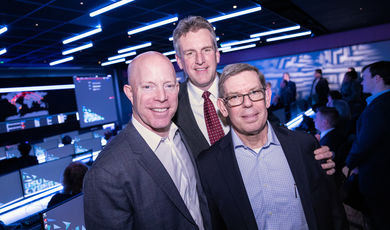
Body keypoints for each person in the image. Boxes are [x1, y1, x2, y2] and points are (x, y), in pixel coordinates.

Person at [172, 16, 335, 174]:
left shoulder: (245, 86)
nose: (200, 60)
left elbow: (275, 129)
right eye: (190, 53)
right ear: (179, 61)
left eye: (206, 50)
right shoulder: (172, 105)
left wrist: (310, 155)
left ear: (216, 54)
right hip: (210, 200)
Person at [197, 63, 348, 230]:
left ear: (267, 97)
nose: (247, 103)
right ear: (223, 107)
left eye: (254, 92)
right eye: (235, 97)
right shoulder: (209, 165)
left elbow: (333, 212)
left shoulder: (304, 146)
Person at [83, 52, 211, 230]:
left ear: (177, 88)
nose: (161, 96)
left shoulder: (182, 134)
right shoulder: (106, 174)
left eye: (168, 85)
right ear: (130, 93)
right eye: (148, 87)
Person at [346, 61, 390, 230]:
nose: (361, 82)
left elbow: (366, 141)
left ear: (378, 78)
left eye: (365, 77)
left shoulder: (380, 106)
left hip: (379, 180)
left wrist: (349, 164)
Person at [314, 107, 346, 186]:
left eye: (316, 118)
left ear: (325, 122)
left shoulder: (328, 143)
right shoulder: (336, 134)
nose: (314, 120)